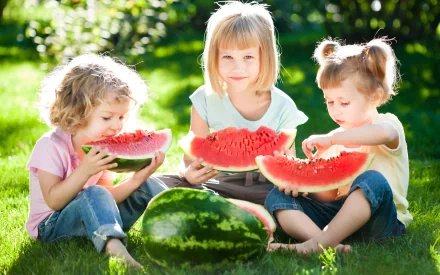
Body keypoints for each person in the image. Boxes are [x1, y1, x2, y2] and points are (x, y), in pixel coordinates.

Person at [264, 38, 412, 253]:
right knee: (276, 197)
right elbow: (328, 195)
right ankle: (328, 244)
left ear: (375, 96)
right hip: (337, 219)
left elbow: (384, 134)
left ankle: (315, 245)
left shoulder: (387, 124)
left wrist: (333, 140)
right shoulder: (333, 139)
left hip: (381, 221)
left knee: (373, 180)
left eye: (344, 102)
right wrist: (302, 186)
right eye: (329, 101)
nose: (336, 110)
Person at [158, 1, 308, 205]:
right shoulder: (204, 99)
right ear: (214, 57)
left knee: (298, 197)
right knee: (160, 183)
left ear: (265, 58)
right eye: (227, 56)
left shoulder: (283, 106)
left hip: (267, 188)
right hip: (219, 184)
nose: (238, 68)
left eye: (248, 57)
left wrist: (291, 179)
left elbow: (288, 163)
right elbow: (191, 157)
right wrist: (188, 173)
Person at [26, 53, 168, 268]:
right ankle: (117, 251)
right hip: (52, 227)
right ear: (77, 111)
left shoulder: (105, 145)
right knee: (94, 192)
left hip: (96, 218)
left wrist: (137, 180)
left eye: (121, 117)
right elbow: (54, 201)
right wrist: (85, 170)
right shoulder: (50, 146)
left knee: (148, 184)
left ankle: (183, 228)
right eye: (107, 117)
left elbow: (106, 198)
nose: (116, 126)